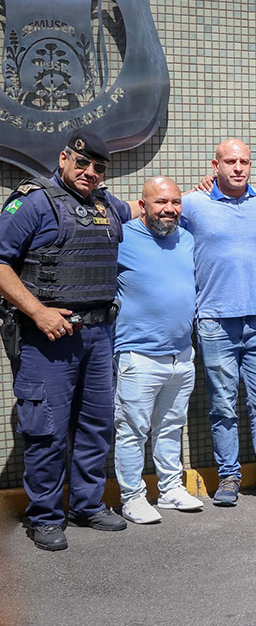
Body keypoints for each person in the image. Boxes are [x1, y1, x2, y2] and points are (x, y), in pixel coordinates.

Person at [0, 129, 135, 551]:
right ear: (64, 158)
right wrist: (37, 311)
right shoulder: (33, 201)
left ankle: (87, 505)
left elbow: (145, 205)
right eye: (83, 163)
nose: (90, 172)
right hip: (48, 338)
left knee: (96, 425)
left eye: (98, 167)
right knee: (48, 430)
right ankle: (44, 515)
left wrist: (203, 189)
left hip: (98, 335)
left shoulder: (105, 204)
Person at [183, 139, 256, 508]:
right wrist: (193, 188)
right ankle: (230, 476)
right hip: (214, 321)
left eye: (244, 162)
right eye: (230, 161)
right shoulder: (193, 204)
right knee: (222, 405)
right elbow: (157, 213)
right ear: (215, 164)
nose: (238, 168)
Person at [113, 177, 203, 524]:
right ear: (143, 204)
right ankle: (132, 497)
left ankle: (170, 489)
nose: (169, 209)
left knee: (171, 426)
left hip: (181, 355)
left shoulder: (187, 239)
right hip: (138, 354)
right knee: (132, 429)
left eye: (176, 202)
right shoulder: (121, 237)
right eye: (161, 202)